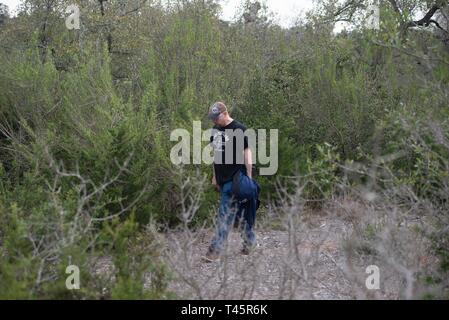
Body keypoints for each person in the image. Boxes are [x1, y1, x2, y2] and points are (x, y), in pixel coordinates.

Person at [203, 101, 257, 262]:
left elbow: (247, 153)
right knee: (238, 214)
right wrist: (214, 176)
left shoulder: (239, 129)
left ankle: (215, 251)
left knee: (224, 214)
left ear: (225, 113)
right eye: (212, 118)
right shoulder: (215, 130)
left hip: (235, 179)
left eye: (216, 117)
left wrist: (249, 177)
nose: (213, 121)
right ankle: (250, 242)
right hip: (222, 178)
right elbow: (215, 154)